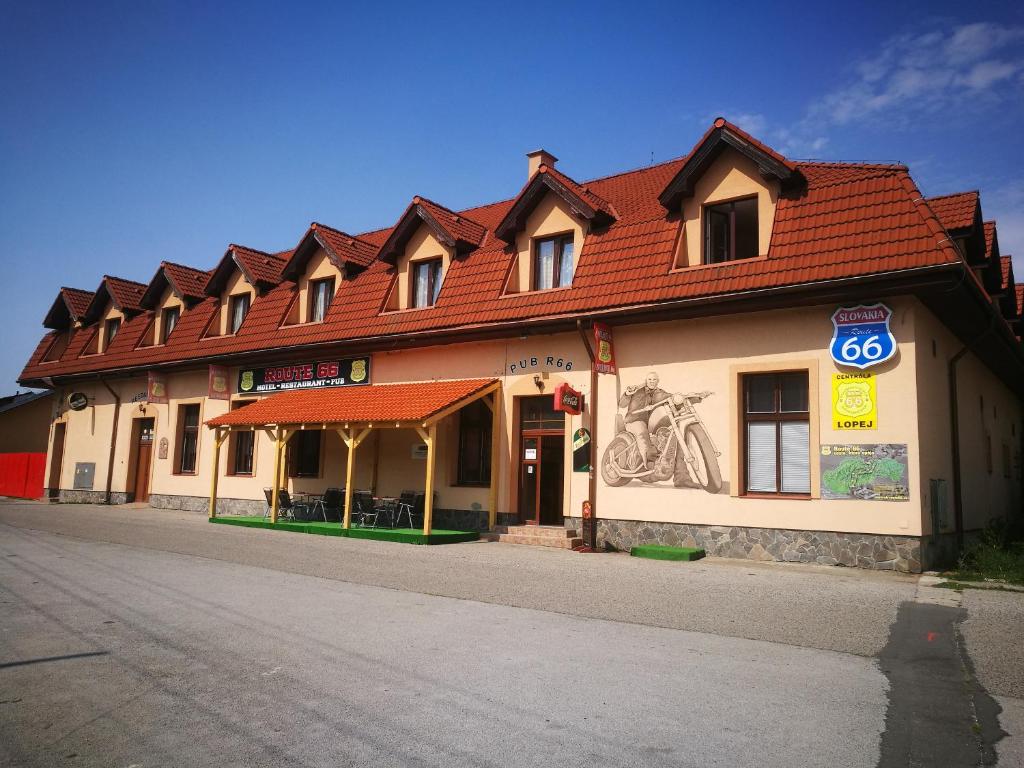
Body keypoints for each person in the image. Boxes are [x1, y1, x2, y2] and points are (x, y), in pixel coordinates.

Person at [618, 372, 671, 465]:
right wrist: (627, 394)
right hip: (633, 420)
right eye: (649, 379)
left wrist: (691, 397)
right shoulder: (637, 390)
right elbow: (622, 404)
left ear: (658, 381)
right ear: (645, 381)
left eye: (654, 379)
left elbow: (671, 397)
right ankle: (648, 462)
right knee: (642, 432)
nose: (652, 381)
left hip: (649, 423)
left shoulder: (659, 393)